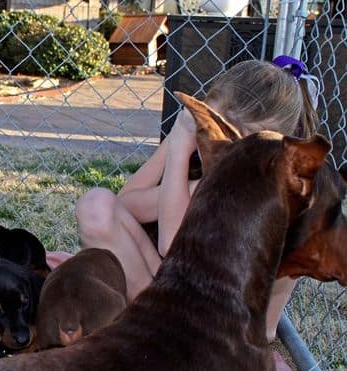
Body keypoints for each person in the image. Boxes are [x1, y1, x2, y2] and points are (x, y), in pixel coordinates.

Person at [75, 57, 319, 343]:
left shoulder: (277, 192)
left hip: (229, 332)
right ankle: (147, 329)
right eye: (209, 128)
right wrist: (185, 166)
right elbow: (126, 204)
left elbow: (172, 245)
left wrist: (191, 187)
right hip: (172, 298)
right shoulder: (191, 133)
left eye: (238, 142)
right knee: (96, 206)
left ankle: (154, 338)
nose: (217, 146)